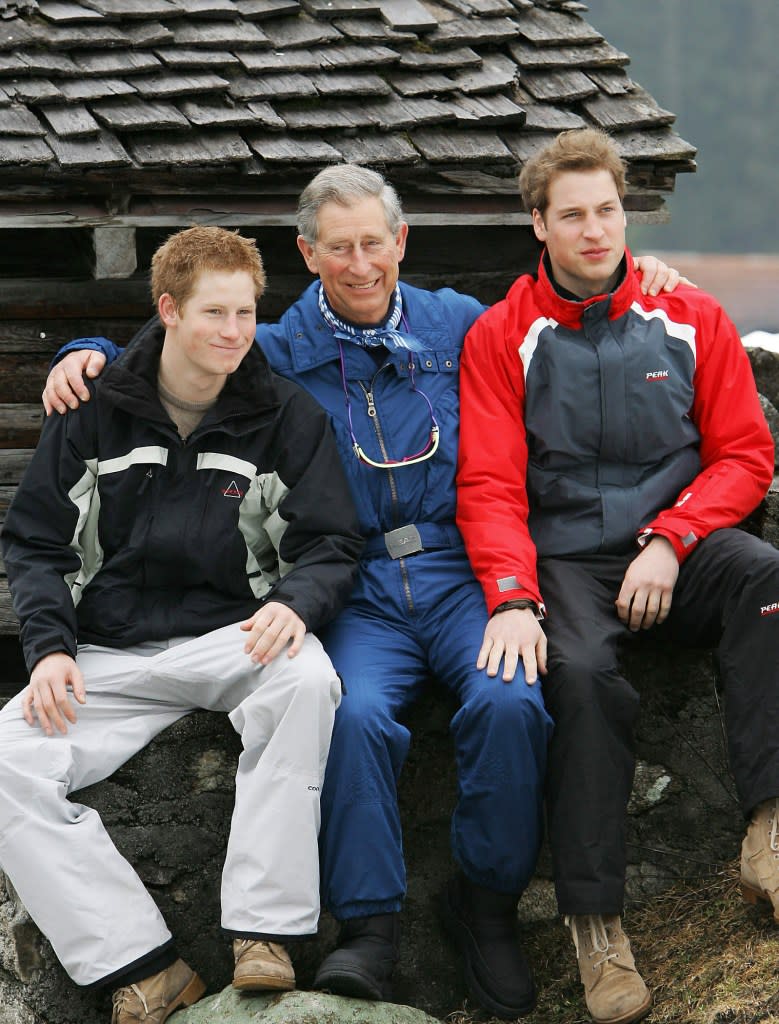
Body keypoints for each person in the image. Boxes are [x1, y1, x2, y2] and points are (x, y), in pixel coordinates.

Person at [41, 166, 682, 1020]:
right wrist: (78, 355)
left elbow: (564, 308)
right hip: (354, 583)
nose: (357, 263)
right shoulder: (272, 348)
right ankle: (370, 929)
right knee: (350, 713)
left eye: (372, 243)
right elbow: (176, 343)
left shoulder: (461, 321)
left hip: (463, 569)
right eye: (336, 248)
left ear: (400, 241)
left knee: (510, 698)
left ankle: (485, 907)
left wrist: (659, 278)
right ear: (307, 254)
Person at [455, 127, 779, 1024]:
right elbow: (486, 486)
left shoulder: (691, 316)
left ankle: (769, 833)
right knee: (583, 680)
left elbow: (745, 456)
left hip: (676, 544)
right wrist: (513, 597)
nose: (595, 230)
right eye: (572, 216)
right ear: (538, 225)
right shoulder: (499, 337)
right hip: (565, 563)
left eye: (607, 210)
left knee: (768, 580)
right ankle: (595, 927)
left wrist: (674, 538)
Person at [0, 226, 363, 1024]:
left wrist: (293, 603)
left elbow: (331, 541)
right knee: (3, 761)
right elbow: (34, 543)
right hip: (107, 654)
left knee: (308, 680)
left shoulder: (285, 415)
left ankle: (264, 935)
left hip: (231, 639)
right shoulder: (90, 407)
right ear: (167, 310)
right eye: (214, 313)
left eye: (246, 313)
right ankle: (143, 966)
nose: (235, 332)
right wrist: (50, 651)